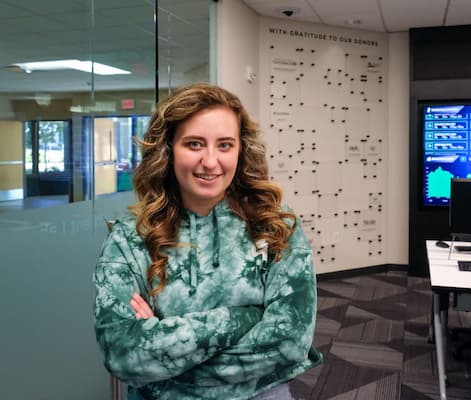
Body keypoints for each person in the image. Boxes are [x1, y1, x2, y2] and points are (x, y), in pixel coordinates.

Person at [93, 82, 322, 400]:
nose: (211, 161)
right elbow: (124, 355)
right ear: (168, 149)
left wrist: (165, 353)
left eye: (225, 145)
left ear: (241, 150)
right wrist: (244, 316)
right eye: (195, 144)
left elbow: (289, 342)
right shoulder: (131, 238)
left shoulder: (274, 224)